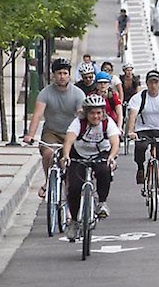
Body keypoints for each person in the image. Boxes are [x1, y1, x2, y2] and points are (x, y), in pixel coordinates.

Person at [60, 94, 120, 241]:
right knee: (73, 187)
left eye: (99, 113)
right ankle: (74, 221)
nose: (95, 116)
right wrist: (66, 156)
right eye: (92, 113)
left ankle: (102, 203)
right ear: (86, 113)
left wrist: (112, 156)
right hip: (79, 155)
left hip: (100, 154)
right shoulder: (78, 123)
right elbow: (68, 140)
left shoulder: (107, 123)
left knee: (104, 170)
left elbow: (115, 142)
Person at [23, 58, 85, 197]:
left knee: (71, 166)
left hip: (71, 134)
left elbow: (81, 114)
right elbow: (37, 115)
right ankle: (48, 181)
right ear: (53, 75)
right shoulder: (45, 93)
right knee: (49, 154)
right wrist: (30, 135)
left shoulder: (78, 94)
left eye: (65, 73)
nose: (62, 76)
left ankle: (70, 203)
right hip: (52, 132)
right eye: (59, 73)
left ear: (69, 75)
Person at [127, 70, 159, 211]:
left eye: (156, 82)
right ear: (147, 83)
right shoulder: (139, 97)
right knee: (141, 147)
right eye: (151, 82)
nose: (153, 85)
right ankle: (140, 168)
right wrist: (131, 131)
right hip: (143, 129)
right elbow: (133, 114)